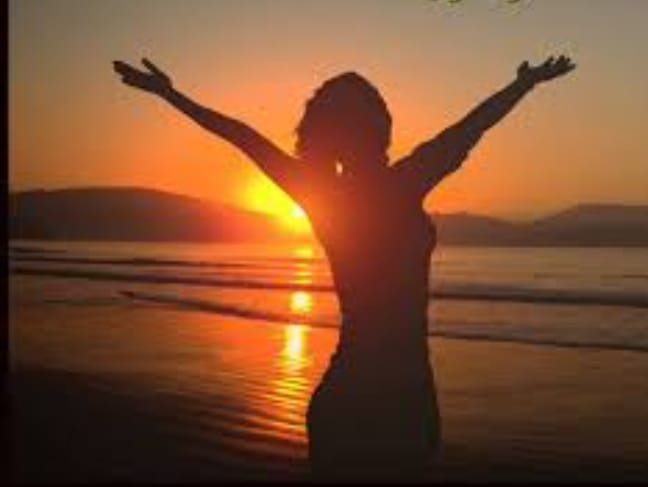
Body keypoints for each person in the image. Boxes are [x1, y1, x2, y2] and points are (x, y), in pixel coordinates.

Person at [113, 55, 575, 480]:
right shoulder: (402, 182)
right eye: (375, 116)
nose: (382, 125)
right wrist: (523, 86)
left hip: (376, 394)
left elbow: (243, 136)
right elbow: (470, 127)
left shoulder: (329, 191)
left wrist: (170, 94)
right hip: (394, 395)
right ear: (375, 128)